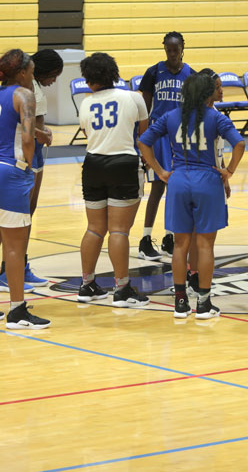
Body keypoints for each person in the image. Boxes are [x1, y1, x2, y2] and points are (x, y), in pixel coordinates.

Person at [140, 72, 246, 319]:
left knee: (180, 245)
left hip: (178, 180)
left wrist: (159, 171)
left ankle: (180, 303)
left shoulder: (170, 116)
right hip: (207, 180)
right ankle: (204, 303)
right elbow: (239, 144)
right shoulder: (215, 117)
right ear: (208, 93)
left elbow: (144, 142)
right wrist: (229, 171)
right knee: (205, 244)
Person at [0, 49, 50, 329]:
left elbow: (8, 127)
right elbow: (26, 139)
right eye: (31, 71)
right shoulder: (25, 95)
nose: (33, 77)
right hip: (7, 173)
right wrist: (28, 165)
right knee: (15, 247)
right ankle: (17, 310)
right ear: (23, 73)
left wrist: (41, 134)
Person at [75, 52, 151, 307]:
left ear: (89, 79)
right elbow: (144, 134)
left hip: (93, 164)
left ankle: (87, 285)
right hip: (123, 163)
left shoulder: (85, 103)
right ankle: (121, 289)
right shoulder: (133, 98)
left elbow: (87, 132)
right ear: (114, 73)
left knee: (94, 228)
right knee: (119, 230)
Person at [0, 49, 64, 295]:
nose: (54, 80)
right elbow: (27, 127)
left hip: (34, 153)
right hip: (24, 155)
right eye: (53, 75)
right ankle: (6, 273)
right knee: (20, 217)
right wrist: (42, 134)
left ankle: (20, 267)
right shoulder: (26, 90)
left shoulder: (31, 88)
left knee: (28, 214)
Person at [136, 31, 193, 262]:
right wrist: (142, 143)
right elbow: (144, 111)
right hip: (159, 136)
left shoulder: (191, 75)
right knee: (158, 188)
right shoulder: (153, 72)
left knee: (176, 190)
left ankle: (170, 237)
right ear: (164, 49)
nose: (172, 53)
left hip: (180, 137)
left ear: (182, 48)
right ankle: (145, 239)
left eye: (175, 49)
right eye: (168, 49)